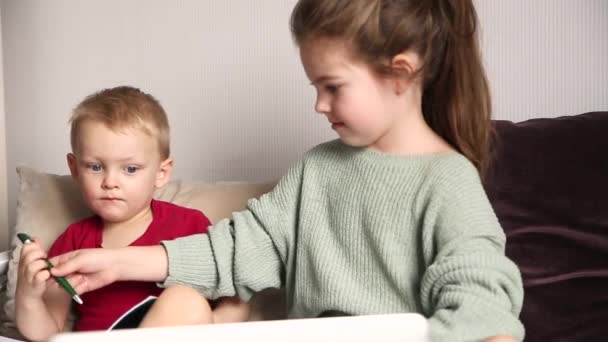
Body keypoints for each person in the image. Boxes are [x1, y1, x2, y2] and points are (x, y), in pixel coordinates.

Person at [49, 1, 524, 341]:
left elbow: (483, 300)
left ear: (399, 74)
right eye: (315, 85)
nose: (318, 104)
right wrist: (116, 262)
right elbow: (233, 251)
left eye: (332, 86)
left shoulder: (449, 180)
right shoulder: (317, 169)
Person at [15, 86, 249, 341]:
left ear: (161, 173)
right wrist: (28, 297)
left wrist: (206, 322)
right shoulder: (73, 242)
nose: (110, 181)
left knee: (185, 301)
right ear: (74, 168)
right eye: (95, 167)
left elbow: (237, 303)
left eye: (130, 169)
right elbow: (49, 333)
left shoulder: (189, 225)